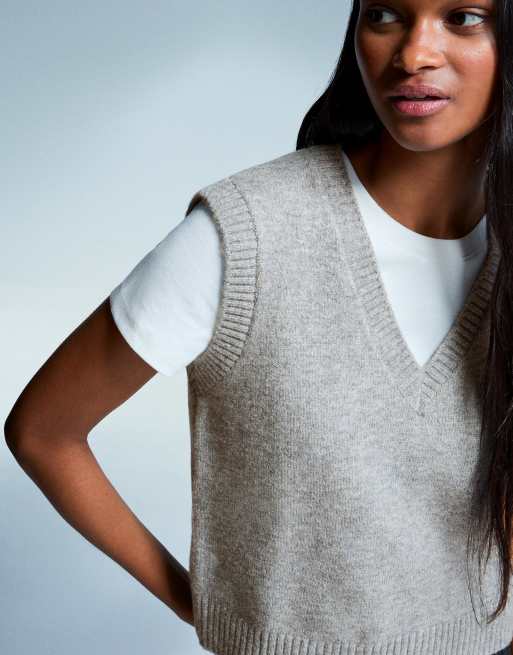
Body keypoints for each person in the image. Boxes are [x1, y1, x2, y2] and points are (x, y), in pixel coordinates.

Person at [5, 1, 513, 653]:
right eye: (385, 14)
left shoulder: (505, 242)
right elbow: (43, 432)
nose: (414, 54)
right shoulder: (248, 236)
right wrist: (199, 601)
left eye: (463, 17)